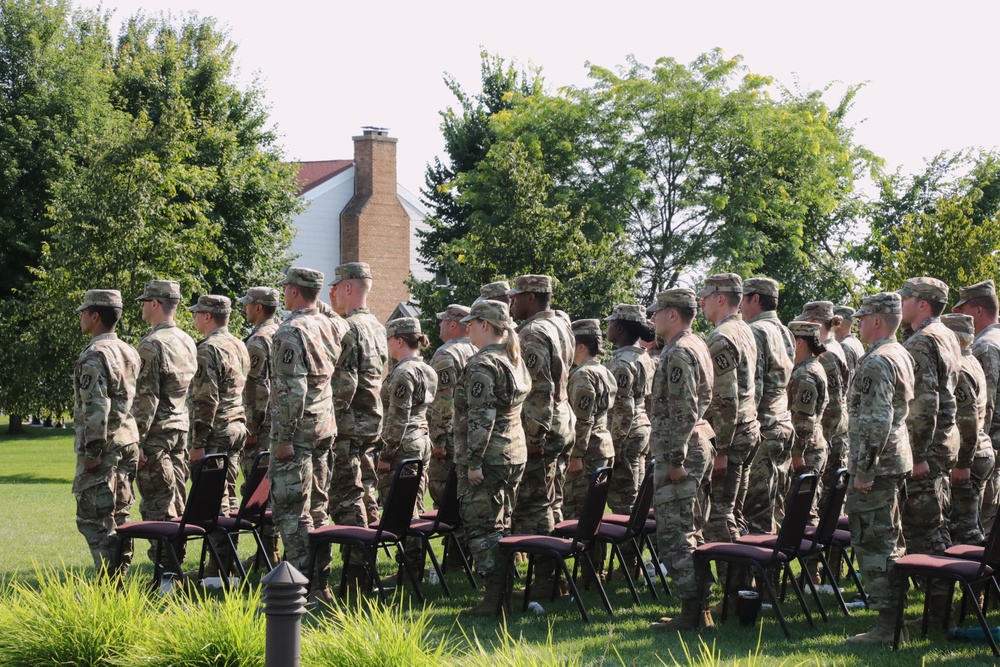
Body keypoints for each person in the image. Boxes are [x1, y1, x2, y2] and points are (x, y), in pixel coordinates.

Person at [844, 292, 913, 644]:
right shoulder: (899, 353)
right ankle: (893, 620)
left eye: (861, 318)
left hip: (878, 465)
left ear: (876, 320)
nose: (857, 324)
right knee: (888, 538)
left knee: (874, 541)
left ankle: (888, 627)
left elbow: (876, 420)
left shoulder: (877, 361)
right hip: (893, 459)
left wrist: (864, 471)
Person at [646, 288, 716, 631]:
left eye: (657, 312)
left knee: (676, 532)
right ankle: (698, 609)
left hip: (683, 449)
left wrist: (675, 459)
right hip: (695, 443)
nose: (652, 318)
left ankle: (692, 613)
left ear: (673, 314)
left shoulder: (679, 352)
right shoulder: (695, 344)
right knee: (691, 527)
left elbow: (684, 409)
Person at [454, 299, 530, 616]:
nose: (467, 328)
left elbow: (481, 418)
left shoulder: (483, 364)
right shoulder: (513, 359)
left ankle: (493, 601)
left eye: (472, 323)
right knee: (502, 523)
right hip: (513, 450)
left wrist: (473, 462)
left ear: (485, 325)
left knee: (483, 527)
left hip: (489, 457)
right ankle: (502, 596)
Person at [270, 267, 341, 602]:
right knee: (318, 506)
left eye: (286, 288)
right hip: (324, 424)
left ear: (294, 292)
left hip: (297, 431)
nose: (283, 293)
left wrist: (283, 436)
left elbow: (290, 389)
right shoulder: (331, 325)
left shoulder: (291, 331)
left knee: (291, 509)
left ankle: (298, 585)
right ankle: (321, 584)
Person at [507, 274, 575, 598]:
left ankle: (546, 583)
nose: (512, 302)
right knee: (553, 501)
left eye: (516, 296)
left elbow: (539, 390)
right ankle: (556, 580)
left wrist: (533, 438)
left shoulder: (533, 332)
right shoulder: (562, 324)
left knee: (537, 506)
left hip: (544, 429)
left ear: (531, 297)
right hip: (563, 423)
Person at [899, 277, 961, 620]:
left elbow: (924, 404)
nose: (901, 302)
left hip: (928, 448)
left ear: (922, 303)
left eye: (906, 297)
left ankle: (939, 610)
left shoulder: (922, 342)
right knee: (936, 526)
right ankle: (939, 606)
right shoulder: (947, 335)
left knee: (926, 530)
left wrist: (918, 454)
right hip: (944, 443)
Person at [328, 262, 388, 589]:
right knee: (367, 494)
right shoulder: (378, 326)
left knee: (348, 499)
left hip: (349, 425)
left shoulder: (347, 327)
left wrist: (328, 418)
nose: (333, 294)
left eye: (337, 287)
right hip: (371, 423)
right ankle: (366, 568)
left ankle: (355, 575)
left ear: (349, 288)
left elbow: (345, 383)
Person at [73, 289, 141, 577]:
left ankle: (109, 585)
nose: (80, 316)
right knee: (121, 515)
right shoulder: (129, 350)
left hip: (105, 447)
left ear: (95, 316)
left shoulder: (94, 354)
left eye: (83, 311)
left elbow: (96, 406)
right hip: (128, 441)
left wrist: (92, 451)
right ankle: (120, 577)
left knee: (96, 519)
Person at [132, 280, 197, 569]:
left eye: (145, 301)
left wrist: (137, 442)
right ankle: (174, 567)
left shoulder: (152, 344)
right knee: (176, 502)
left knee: (157, 506)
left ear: (155, 304)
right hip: (180, 430)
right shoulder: (186, 340)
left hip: (156, 434)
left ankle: (166, 574)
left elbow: (146, 399)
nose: (143, 307)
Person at [698, 273, 759, 544]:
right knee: (733, 512)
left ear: (720, 298)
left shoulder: (722, 337)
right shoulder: (745, 329)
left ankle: (734, 584)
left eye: (706, 297)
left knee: (719, 518)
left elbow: (725, 398)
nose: (701, 303)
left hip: (731, 438)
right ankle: (743, 582)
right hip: (746, 430)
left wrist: (720, 449)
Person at [377, 317, 438, 578]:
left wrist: (386, 454)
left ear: (399, 340)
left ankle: (411, 568)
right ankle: (413, 565)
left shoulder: (403, 373)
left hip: (404, 444)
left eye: (389, 340)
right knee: (415, 501)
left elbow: (397, 419)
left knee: (403, 506)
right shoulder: (427, 369)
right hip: (422, 439)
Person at [794, 301, 850, 552]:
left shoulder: (825, 356)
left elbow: (834, 406)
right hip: (826, 437)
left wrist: (814, 442)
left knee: (815, 507)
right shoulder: (832, 351)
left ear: (815, 324)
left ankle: (816, 569)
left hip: (823, 437)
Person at [740, 277, 795, 534]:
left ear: (755, 299)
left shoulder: (755, 330)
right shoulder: (784, 330)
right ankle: (773, 572)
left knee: (755, 511)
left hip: (764, 426)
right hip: (783, 421)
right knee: (776, 504)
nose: (739, 304)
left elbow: (755, 385)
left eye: (743, 297)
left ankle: (755, 572)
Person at [188, 295, 250, 517]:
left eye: (196, 313)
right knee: (230, 494)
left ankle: (221, 551)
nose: (194, 317)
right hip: (237, 426)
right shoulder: (239, 345)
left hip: (217, 430)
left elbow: (206, 400)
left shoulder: (207, 349)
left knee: (212, 500)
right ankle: (229, 549)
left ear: (207, 316)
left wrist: (198, 443)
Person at [941, 314, 995, 546]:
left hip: (970, 456)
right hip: (981, 449)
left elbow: (967, 418)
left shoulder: (961, 368)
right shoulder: (972, 361)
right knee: (970, 525)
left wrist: (963, 462)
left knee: (965, 530)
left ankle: (979, 579)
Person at [952, 279, 1000, 533]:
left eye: (965, 311)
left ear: (978, 310)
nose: (963, 317)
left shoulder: (985, 346)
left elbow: (985, 406)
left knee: (979, 526)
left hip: (989, 445)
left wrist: (970, 456)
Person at [604, 304, 655, 517]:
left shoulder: (623, 363)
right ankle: (633, 547)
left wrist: (615, 446)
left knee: (625, 502)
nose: (608, 327)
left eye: (612, 323)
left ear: (621, 329)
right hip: (640, 429)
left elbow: (624, 408)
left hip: (627, 434)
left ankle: (627, 550)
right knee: (637, 498)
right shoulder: (643, 356)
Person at [564, 319, 617, 521]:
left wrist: (576, 455)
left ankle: (586, 554)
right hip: (601, 445)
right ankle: (596, 553)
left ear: (580, 346)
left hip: (587, 453)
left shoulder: (583, 376)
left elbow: (582, 420)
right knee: (594, 514)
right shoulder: (603, 371)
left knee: (580, 514)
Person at [427, 305, 476, 508]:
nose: (440, 324)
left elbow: (444, 401)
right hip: (472, 435)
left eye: (443, 321)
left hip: (449, 439)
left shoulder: (446, 354)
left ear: (453, 324)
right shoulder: (477, 349)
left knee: (444, 498)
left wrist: (437, 440)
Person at [787, 321, 829, 525]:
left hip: (807, 451)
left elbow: (804, 419)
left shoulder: (806, 373)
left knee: (804, 512)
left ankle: (809, 555)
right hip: (811, 447)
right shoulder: (812, 367)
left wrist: (797, 453)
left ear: (799, 342)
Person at [834, 305, 865, 387]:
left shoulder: (843, 346)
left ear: (840, 324)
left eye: (832, 321)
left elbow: (847, 383)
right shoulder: (856, 342)